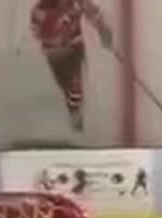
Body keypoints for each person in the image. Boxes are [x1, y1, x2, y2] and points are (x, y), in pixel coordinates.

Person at [31, 0, 113, 132]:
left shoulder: (76, 2)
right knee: (66, 86)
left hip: (75, 49)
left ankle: (76, 115)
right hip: (56, 55)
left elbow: (92, 12)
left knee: (76, 84)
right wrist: (58, 29)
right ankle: (73, 109)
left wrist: (103, 30)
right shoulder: (41, 10)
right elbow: (39, 32)